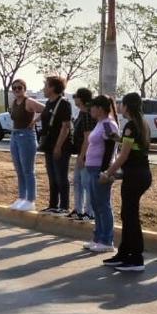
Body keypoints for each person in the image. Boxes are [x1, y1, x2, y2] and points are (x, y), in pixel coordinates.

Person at [100, 92, 154, 271]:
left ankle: (136, 258)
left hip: (136, 176)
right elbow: (133, 147)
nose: (119, 107)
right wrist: (117, 138)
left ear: (127, 106)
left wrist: (108, 173)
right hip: (139, 174)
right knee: (127, 215)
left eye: (121, 104)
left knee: (130, 217)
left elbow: (123, 155)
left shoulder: (131, 125)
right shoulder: (141, 123)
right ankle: (124, 253)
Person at [83, 95, 119, 253]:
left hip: (100, 169)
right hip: (92, 168)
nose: (90, 109)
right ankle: (98, 237)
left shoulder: (108, 125)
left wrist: (105, 171)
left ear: (100, 108)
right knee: (96, 205)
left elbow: (110, 148)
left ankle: (107, 240)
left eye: (93, 106)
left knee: (103, 204)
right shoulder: (100, 123)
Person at [39, 75, 74, 214]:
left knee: (61, 176)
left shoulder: (64, 104)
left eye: (46, 86)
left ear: (53, 87)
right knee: (52, 176)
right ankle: (53, 204)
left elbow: (66, 127)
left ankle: (64, 206)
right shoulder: (48, 103)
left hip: (61, 146)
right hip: (48, 145)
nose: (43, 89)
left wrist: (58, 146)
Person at [7, 79, 43, 211]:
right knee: (19, 170)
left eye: (19, 88)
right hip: (15, 136)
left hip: (26, 136)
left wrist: (35, 121)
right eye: (14, 88)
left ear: (24, 88)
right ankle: (22, 197)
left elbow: (46, 109)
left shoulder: (29, 101)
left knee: (28, 170)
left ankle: (30, 200)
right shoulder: (14, 102)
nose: (17, 90)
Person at [67, 88, 95, 222]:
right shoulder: (81, 113)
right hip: (80, 153)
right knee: (77, 182)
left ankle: (90, 212)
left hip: (86, 155)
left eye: (76, 96)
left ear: (82, 99)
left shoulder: (88, 114)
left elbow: (88, 138)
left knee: (86, 183)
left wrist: (82, 156)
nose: (74, 99)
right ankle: (78, 210)